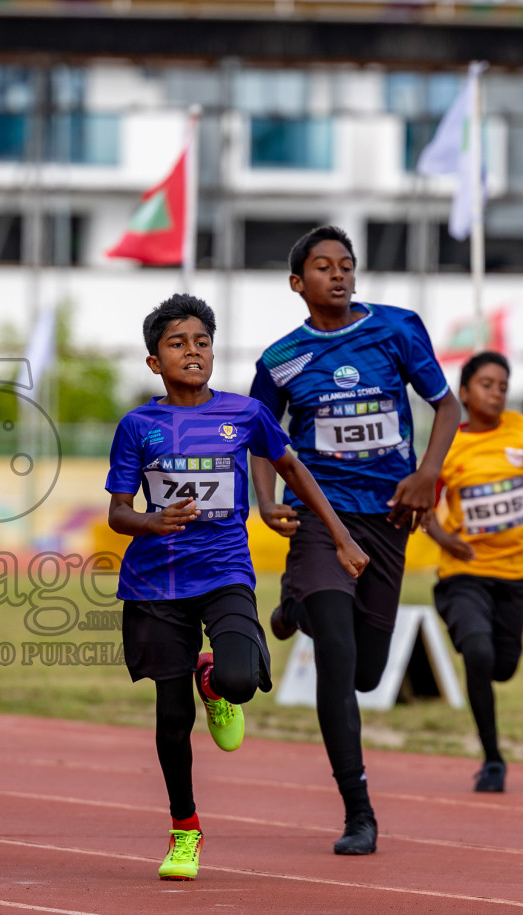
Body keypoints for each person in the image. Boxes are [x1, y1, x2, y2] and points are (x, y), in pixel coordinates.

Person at [108, 293, 368, 881]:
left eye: (201, 342)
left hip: (224, 572)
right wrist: (152, 520)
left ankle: (213, 681)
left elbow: (294, 469)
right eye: (177, 344)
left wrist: (342, 536)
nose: (192, 352)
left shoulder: (245, 414)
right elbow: (119, 513)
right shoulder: (138, 426)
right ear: (155, 362)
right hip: (155, 583)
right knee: (172, 718)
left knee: (238, 680)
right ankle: (184, 829)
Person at [250, 225, 461, 856]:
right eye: (323, 267)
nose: (338, 275)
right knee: (339, 663)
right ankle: (359, 812)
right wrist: (266, 501)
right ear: (298, 283)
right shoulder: (281, 358)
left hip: (389, 516)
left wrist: (428, 474)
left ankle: (296, 609)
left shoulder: (398, 329)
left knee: (369, 673)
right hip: (322, 516)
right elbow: (260, 433)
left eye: (347, 265)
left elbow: (445, 408)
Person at [422, 351, 523, 793]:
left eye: (503, 385)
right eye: (487, 384)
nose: (497, 392)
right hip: (464, 573)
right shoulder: (449, 443)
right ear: (464, 393)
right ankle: (492, 759)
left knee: (502, 667)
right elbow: (422, 506)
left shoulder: (522, 433)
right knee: (479, 653)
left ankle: (474, 639)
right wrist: (445, 540)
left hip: (515, 575)